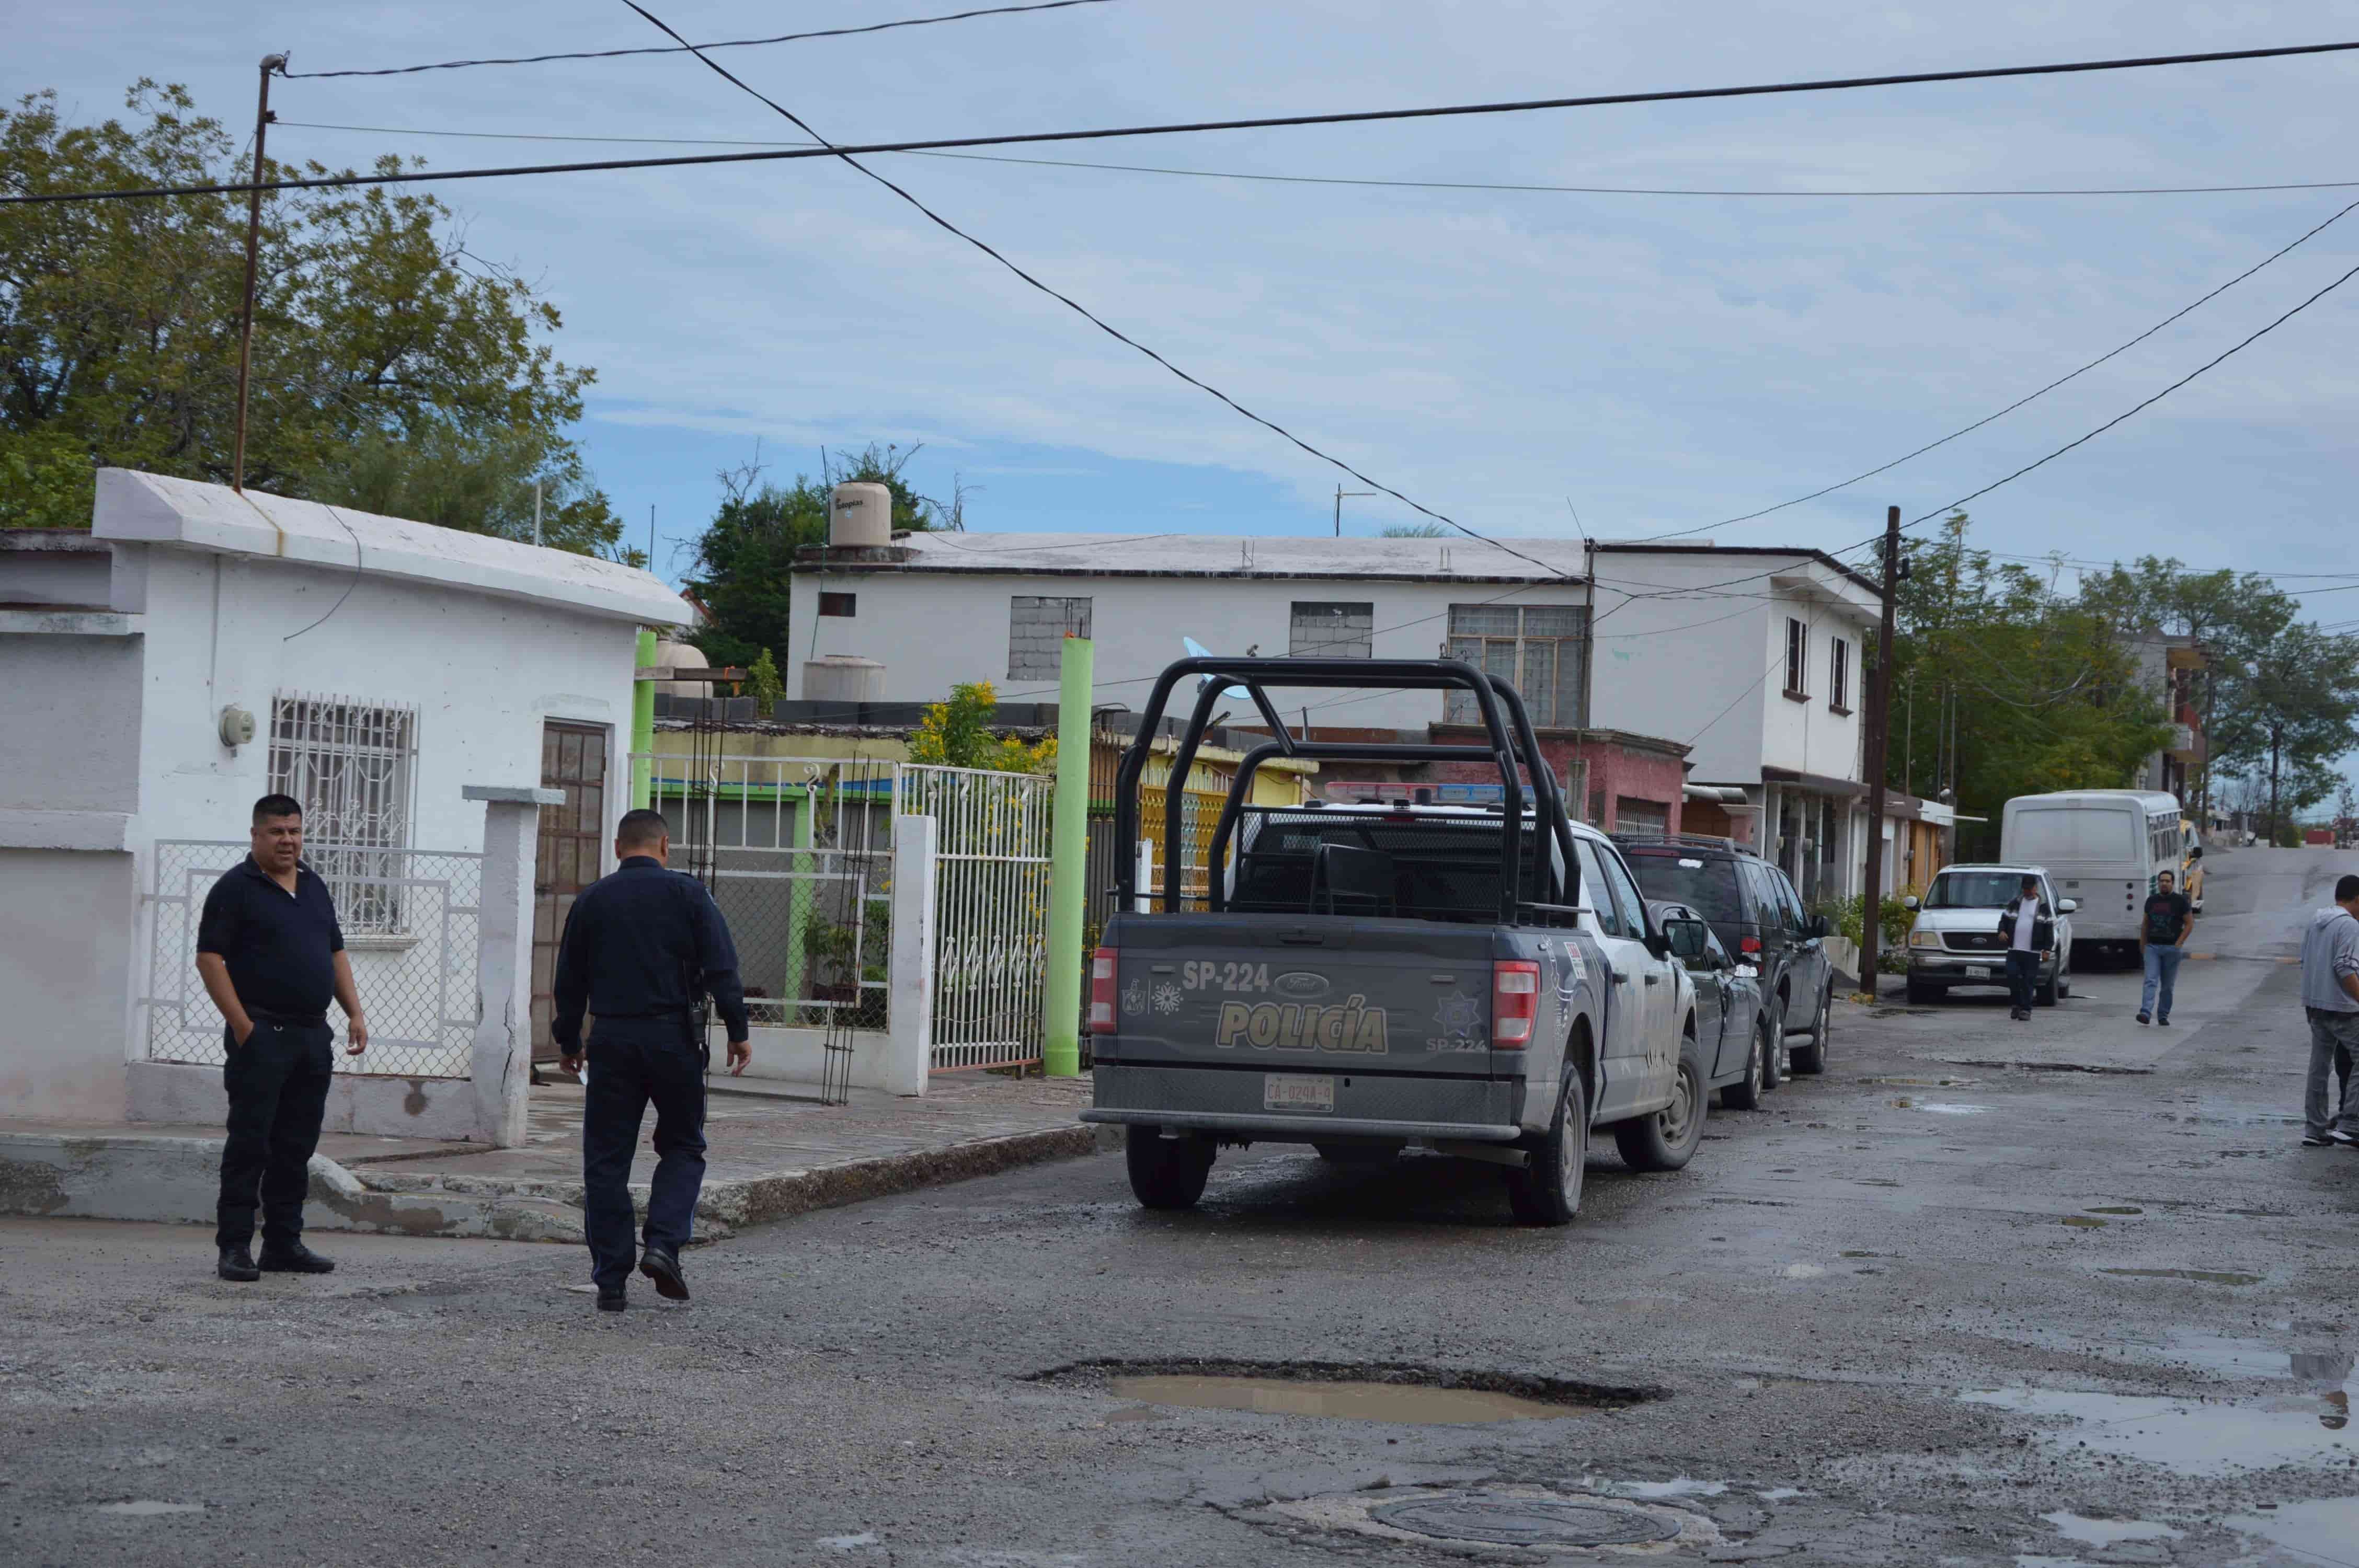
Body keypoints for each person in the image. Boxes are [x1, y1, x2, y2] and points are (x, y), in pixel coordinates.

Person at [553, 808, 751, 1311]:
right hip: (674, 1038)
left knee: (606, 1162)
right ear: (665, 847)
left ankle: (611, 1280)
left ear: (619, 848)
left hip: (612, 1039)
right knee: (684, 1145)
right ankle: (663, 1245)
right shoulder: (689, 895)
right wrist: (737, 1030)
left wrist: (569, 1043)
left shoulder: (592, 900)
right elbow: (721, 967)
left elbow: (569, 982)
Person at [193, 794, 369, 1282]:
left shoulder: (313, 885)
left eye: (294, 831)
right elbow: (210, 959)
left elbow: (335, 952)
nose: (287, 840)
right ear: (256, 835)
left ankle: (283, 1244)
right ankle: (234, 1247)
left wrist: (354, 1012)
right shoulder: (236, 888)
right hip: (262, 1035)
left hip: (312, 1036)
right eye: (276, 832)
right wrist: (242, 1026)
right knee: (251, 1144)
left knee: (296, 1146)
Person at [2298, 872, 2359, 1149]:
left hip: (2315, 1004)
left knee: (2319, 1066)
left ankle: (2316, 1128)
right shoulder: (2349, 926)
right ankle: (2351, 1124)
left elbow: (2304, 960)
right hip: (2342, 1007)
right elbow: (2345, 967)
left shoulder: (2316, 921)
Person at [2137, 869, 2195, 1027]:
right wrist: (2143, 946)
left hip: (2172, 949)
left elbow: (2190, 924)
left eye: (2167, 881)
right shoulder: (2151, 901)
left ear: (2172, 883)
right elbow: (2145, 925)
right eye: (2162, 881)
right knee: (2150, 980)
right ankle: (2145, 1013)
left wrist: (2179, 943)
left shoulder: (2181, 902)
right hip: (2153, 948)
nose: (2164, 884)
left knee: (2167, 986)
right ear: (2158, 883)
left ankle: (2163, 1015)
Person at [1996, 874, 2053, 1023]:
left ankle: (2026, 1010)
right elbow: (2004, 920)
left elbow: (2049, 930)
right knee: (2012, 975)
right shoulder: (2015, 903)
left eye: (2030, 889)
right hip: (2014, 949)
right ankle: (2016, 1003)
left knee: (2029, 980)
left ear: (2036, 888)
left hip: (2033, 951)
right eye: (2025, 889)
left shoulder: (2043, 907)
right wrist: (2002, 931)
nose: (2028, 892)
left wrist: (2047, 950)